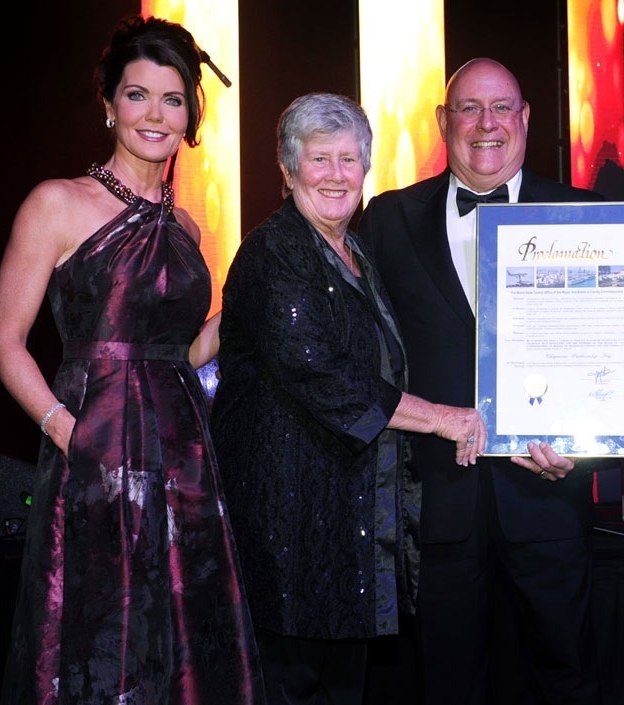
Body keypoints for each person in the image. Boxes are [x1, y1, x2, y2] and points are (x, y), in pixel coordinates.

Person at [0, 15, 264, 704]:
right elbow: (2, 340)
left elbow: (184, 351)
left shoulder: (187, 226)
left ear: (190, 118)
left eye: (173, 100)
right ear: (110, 103)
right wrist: (67, 431)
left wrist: (247, 306)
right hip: (93, 460)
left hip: (181, 459)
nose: (155, 114)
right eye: (138, 95)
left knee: (178, 644)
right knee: (96, 641)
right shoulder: (56, 203)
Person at [210, 92, 486, 705]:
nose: (337, 174)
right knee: (292, 683)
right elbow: (321, 372)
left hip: (344, 520)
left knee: (342, 686)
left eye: (349, 159)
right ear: (287, 171)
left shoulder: (355, 251)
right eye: (319, 159)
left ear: (367, 167)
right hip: (288, 521)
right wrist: (441, 419)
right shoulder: (274, 249)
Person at [358, 58, 607, 705]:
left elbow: (607, 357)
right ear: (443, 122)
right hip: (436, 498)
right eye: (469, 108)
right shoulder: (388, 220)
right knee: (446, 683)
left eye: (502, 108)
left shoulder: (586, 215)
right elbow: (358, 349)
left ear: (525, 119)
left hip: (549, 489)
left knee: (564, 676)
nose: (486, 124)